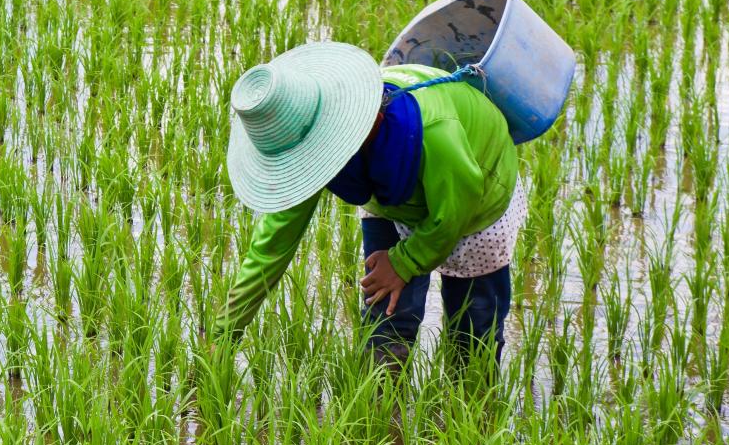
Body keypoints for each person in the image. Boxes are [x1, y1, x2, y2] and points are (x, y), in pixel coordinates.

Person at [212, 41, 523, 368]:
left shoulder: (435, 131)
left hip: (478, 198)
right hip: (391, 198)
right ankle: (382, 410)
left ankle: (474, 409)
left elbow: (456, 208)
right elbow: (273, 245)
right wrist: (224, 334)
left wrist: (405, 262)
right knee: (385, 320)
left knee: (474, 331)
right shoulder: (313, 149)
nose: (315, 160)